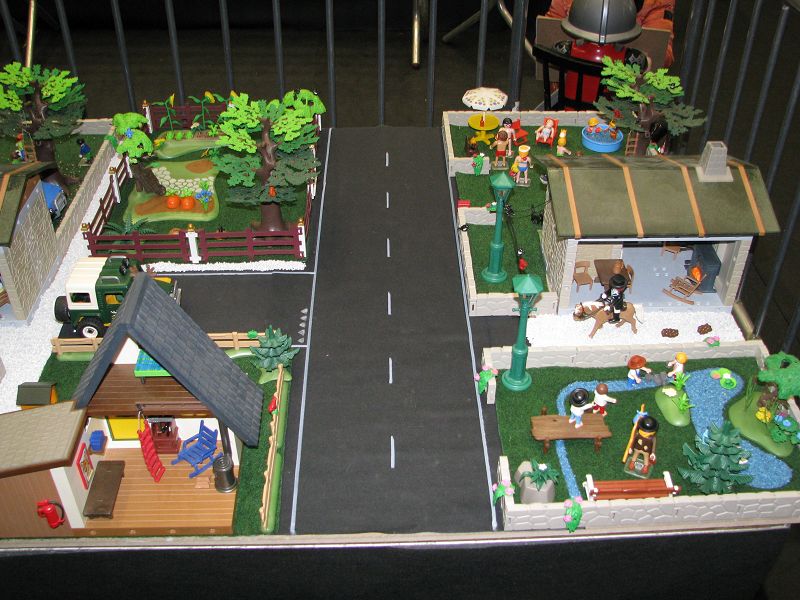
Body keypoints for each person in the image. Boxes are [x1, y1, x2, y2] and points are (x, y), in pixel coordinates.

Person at [545, 0, 675, 68]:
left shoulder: (657, 2)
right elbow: (546, 33)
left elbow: (662, 53)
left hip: (627, 96)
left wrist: (640, 60)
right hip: (568, 89)